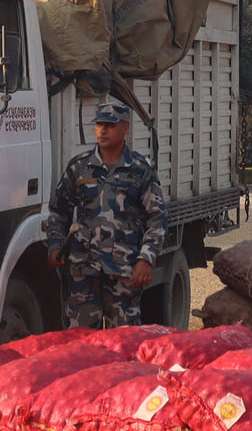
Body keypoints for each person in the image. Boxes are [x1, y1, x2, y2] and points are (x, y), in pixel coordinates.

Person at [45, 100, 166, 328]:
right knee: (79, 344)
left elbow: (157, 219)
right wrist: (55, 244)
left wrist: (146, 259)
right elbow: (58, 211)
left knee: (124, 344)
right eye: (99, 124)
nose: (102, 130)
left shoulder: (141, 169)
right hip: (84, 271)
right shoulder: (79, 167)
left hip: (124, 271)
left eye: (110, 125)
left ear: (125, 128)